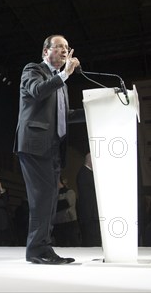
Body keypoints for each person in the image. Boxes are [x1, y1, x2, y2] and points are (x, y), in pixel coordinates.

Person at [13, 34, 84, 265]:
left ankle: (43, 247)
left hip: (53, 148)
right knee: (42, 198)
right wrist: (65, 75)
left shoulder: (61, 84)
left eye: (67, 47)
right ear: (46, 52)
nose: (65, 51)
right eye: (59, 47)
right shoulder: (33, 70)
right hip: (35, 145)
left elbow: (64, 115)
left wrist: (94, 108)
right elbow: (36, 91)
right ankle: (36, 250)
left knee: (50, 200)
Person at [76, 152, 101, 246]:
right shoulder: (85, 173)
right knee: (92, 240)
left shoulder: (85, 173)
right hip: (90, 214)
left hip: (90, 213)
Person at [52, 176, 80, 247]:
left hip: (69, 222)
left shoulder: (69, 192)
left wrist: (55, 204)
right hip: (58, 224)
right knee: (60, 246)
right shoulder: (53, 195)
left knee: (73, 245)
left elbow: (66, 203)